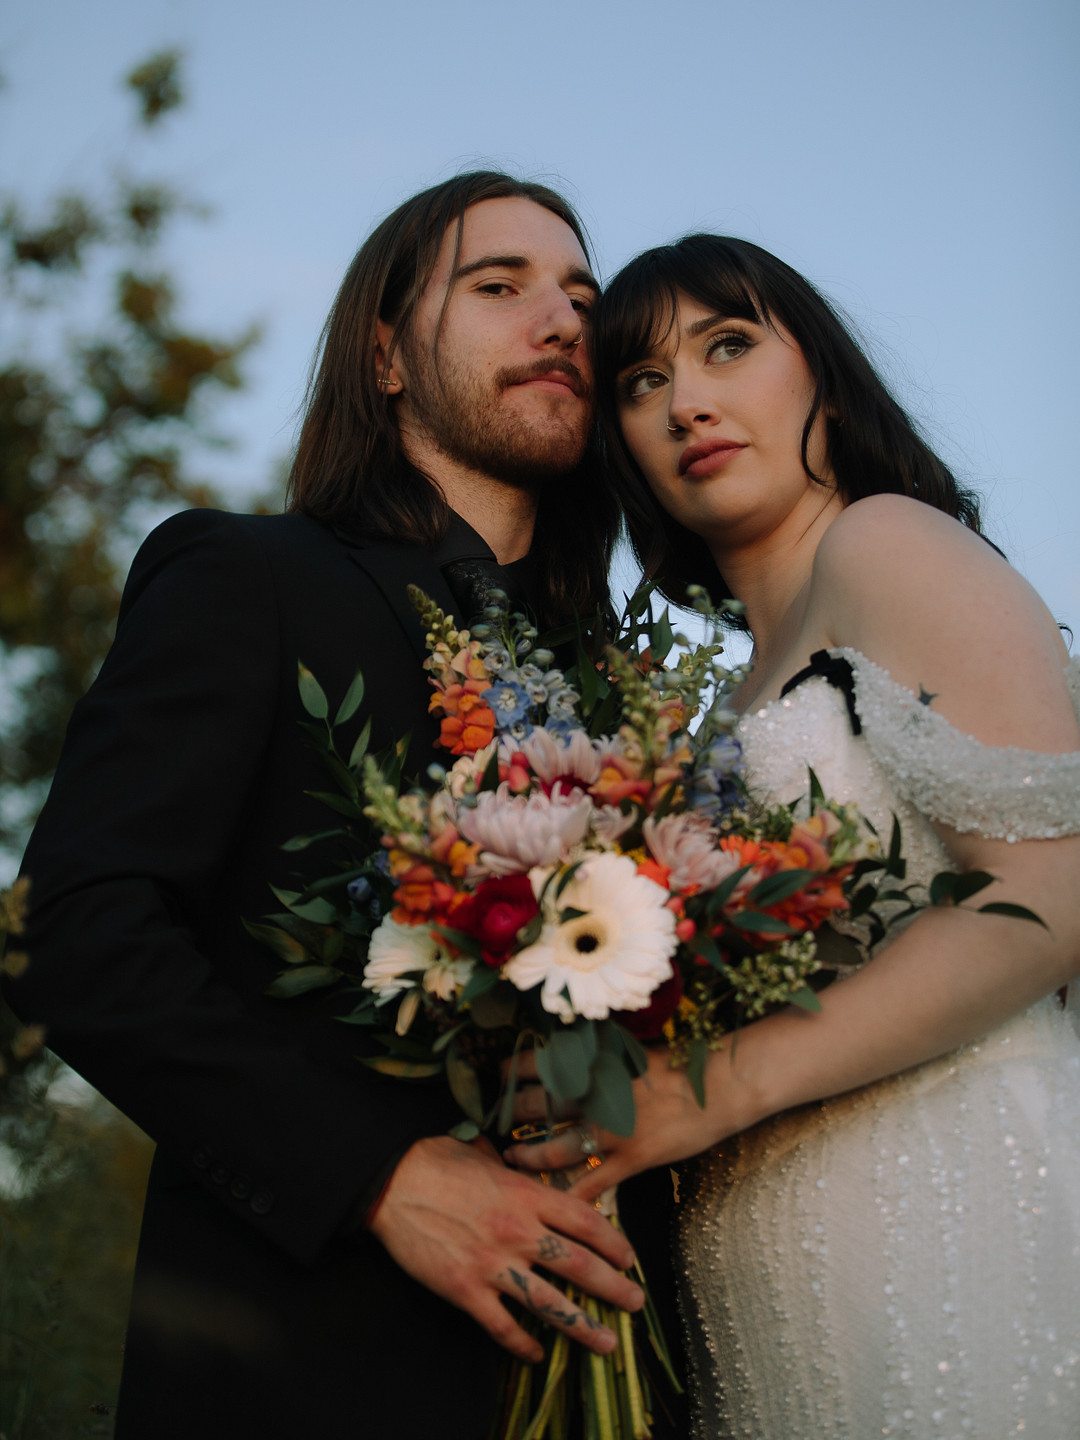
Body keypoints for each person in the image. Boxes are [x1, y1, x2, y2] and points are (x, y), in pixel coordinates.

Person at [3, 173, 681, 1440]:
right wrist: (377, 1175)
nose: (564, 321)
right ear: (383, 352)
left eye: (584, 296)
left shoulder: (634, 699)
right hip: (306, 1367)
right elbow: (76, 927)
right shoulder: (247, 577)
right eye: (501, 285)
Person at [506, 234, 1080, 1438]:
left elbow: (1058, 889)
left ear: (820, 369)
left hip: (952, 1197)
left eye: (727, 347)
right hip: (756, 1263)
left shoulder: (890, 543)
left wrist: (714, 1086)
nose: (689, 404)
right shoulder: (703, 716)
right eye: (643, 383)